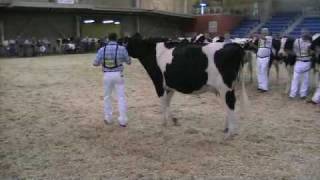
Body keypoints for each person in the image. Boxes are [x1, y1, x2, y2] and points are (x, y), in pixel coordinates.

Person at [93, 33, 131, 127]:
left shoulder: (102, 49)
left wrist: (104, 61)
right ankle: (123, 120)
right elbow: (129, 62)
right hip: (118, 74)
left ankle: (108, 118)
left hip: (107, 75)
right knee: (121, 97)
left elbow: (95, 63)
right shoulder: (122, 48)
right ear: (116, 38)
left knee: (107, 97)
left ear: (108, 39)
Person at [289, 29, 312, 99]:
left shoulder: (311, 42)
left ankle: (303, 94)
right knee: (295, 78)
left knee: (305, 79)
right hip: (299, 61)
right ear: (301, 34)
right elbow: (294, 50)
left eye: (306, 35)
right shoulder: (297, 41)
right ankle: (292, 94)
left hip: (307, 62)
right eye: (303, 34)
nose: (305, 36)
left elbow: (312, 52)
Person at [256, 28, 273, 92]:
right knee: (259, 72)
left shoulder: (269, 37)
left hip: (265, 57)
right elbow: (258, 47)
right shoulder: (260, 39)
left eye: (264, 32)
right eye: (262, 31)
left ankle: (265, 87)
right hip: (259, 57)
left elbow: (264, 38)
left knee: (264, 72)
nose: (263, 32)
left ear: (267, 32)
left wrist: (256, 34)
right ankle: (260, 86)